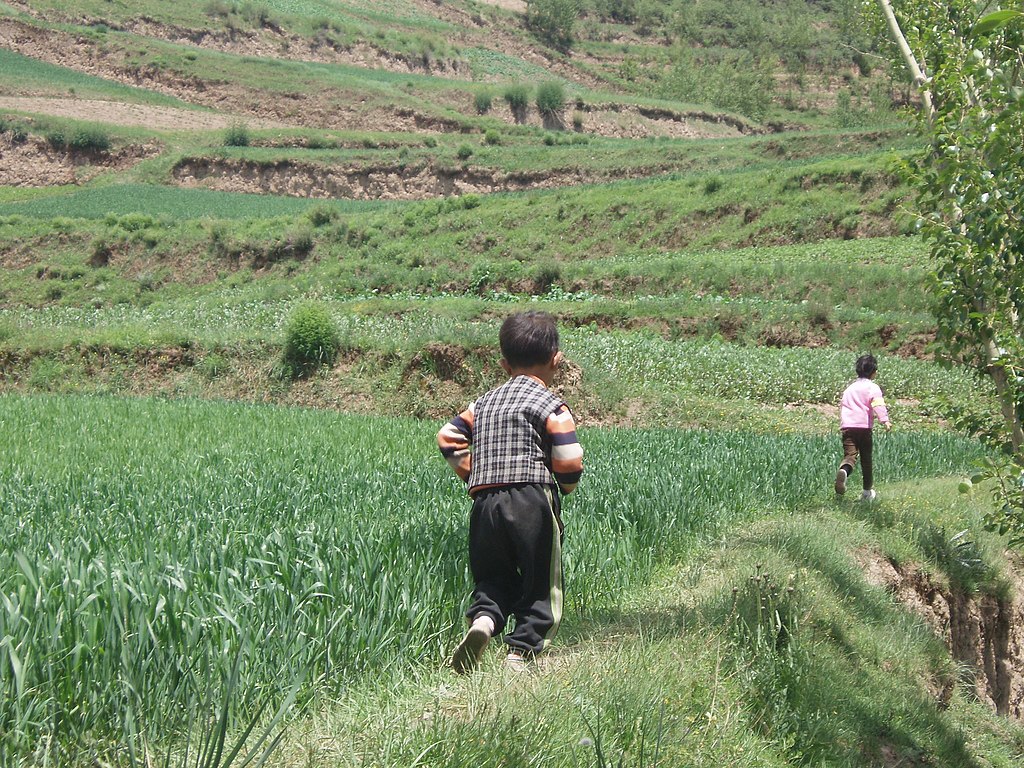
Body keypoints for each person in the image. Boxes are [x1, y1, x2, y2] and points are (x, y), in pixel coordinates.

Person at [437, 311, 583, 674]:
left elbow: (448, 437)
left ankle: (484, 620)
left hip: (486, 503)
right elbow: (569, 458)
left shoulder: (482, 403)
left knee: (492, 575)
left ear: (504, 364)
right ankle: (522, 651)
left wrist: (476, 473)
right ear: (556, 360)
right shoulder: (552, 405)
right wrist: (566, 485)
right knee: (540, 581)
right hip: (532, 498)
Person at [835, 354, 892, 500]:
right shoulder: (873, 387)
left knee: (850, 456)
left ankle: (844, 471)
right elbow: (878, 404)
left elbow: (843, 406)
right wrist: (885, 420)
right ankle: (867, 492)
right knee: (866, 460)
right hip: (864, 428)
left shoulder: (850, 388)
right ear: (873, 372)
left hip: (848, 428)